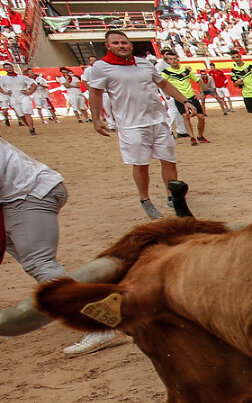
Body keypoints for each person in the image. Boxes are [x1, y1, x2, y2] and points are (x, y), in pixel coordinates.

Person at [0, 138, 112, 357]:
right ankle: (98, 304)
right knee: (31, 260)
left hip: (28, 195)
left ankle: (101, 323)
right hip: (28, 191)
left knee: (38, 262)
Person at [85, 31, 192, 221]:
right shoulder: (101, 67)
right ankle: (145, 200)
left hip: (158, 120)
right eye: (116, 43)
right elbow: (95, 94)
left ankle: (171, 197)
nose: (121, 46)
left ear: (131, 45)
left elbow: (164, 84)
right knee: (141, 164)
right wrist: (96, 119)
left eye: (124, 42)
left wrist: (185, 101)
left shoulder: (144, 63)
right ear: (108, 46)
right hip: (131, 124)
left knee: (169, 159)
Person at [158, 47, 206, 146]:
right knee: (185, 116)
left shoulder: (186, 70)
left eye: (175, 59)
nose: (173, 61)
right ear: (167, 61)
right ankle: (192, 137)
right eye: (171, 59)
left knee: (201, 117)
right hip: (179, 97)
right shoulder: (166, 72)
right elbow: (162, 84)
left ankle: (200, 136)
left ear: (178, 59)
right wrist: (166, 93)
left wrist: (200, 92)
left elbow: (198, 81)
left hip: (192, 96)